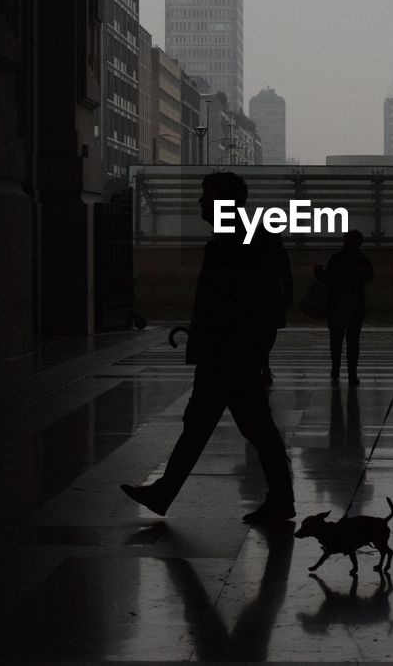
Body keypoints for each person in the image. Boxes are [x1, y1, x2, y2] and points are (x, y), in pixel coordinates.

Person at [120, 172, 295, 524]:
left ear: (224, 202)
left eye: (206, 196)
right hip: (236, 351)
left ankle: (167, 492)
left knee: (217, 425)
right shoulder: (257, 238)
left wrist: (217, 340)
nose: (201, 202)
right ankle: (278, 498)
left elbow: (225, 302)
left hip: (227, 353)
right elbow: (277, 296)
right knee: (245, 427)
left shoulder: (229, 243)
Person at [315, 230, 374, 384]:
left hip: (336, 303)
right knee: (353, 341)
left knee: (336, 339)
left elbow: (326, 278)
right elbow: (369, 278)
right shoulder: (363, 260)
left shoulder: (336, 259)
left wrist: (318, 272)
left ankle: (335, 369)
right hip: (355, 304)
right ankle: (352, 374)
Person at [258, 229, 294, 386]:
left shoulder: (254, 251)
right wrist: (288, 296)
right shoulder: (279, 253)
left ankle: (260, 365)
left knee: (258, 334)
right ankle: (264, 365)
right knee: (269, 333)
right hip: (273, 296)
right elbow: (286, 276)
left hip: (257, 297)